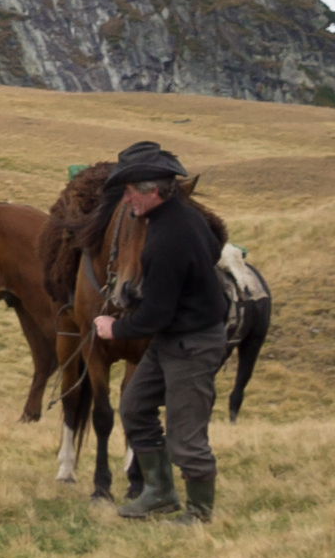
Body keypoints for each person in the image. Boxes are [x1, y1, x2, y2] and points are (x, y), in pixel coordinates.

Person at [88, 140, 231, 523]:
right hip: (174, 339)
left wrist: (113, 327)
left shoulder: (168, 238)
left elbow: (152, 317)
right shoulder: (177, 218)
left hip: (192, 346)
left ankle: (200, 513)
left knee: (186, 438)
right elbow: (213, 253)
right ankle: (160, 493)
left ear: (152, 190)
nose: (125, 199)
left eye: (130, 191)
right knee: (135, 407)